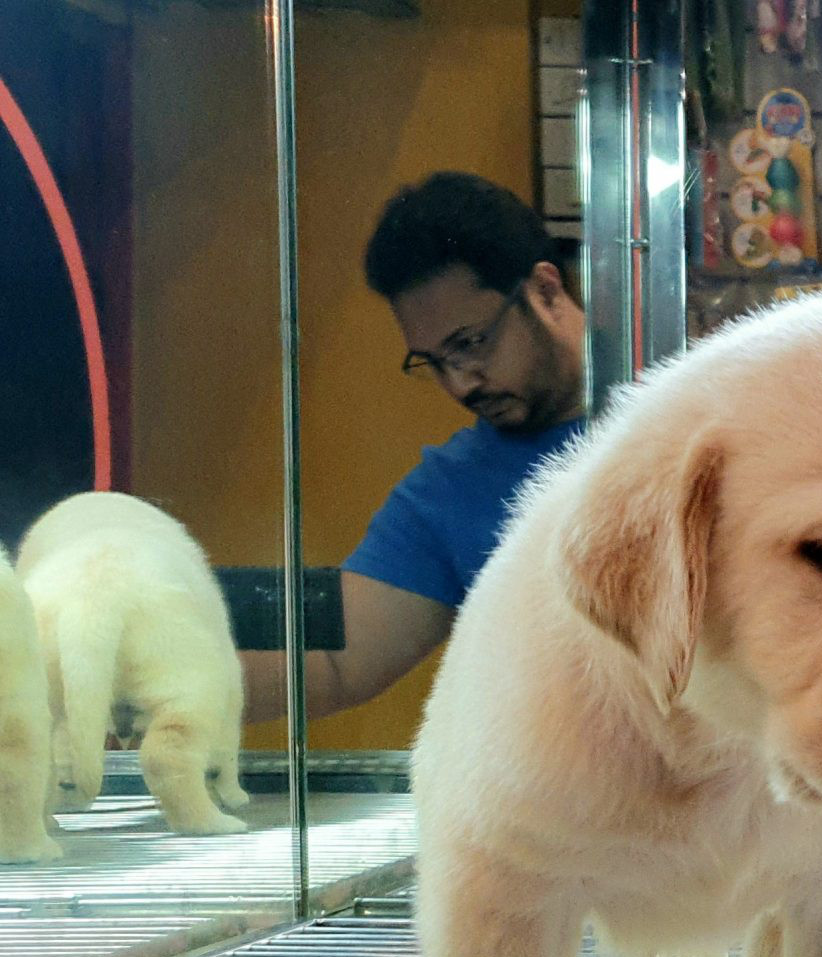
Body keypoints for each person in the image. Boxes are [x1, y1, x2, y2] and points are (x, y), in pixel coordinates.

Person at [241, 172, 587, 724]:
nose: (460, 384)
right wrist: (140, 688)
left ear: (545, 291)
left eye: (470, 344)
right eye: (434, 362)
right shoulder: (452, 490)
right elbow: (333, 660)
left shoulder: (688, 409)